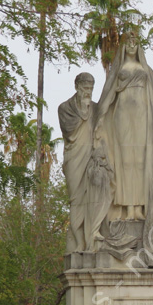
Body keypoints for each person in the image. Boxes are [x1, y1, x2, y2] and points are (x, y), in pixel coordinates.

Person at [93, 32, 153, 223]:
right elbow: (108, 95)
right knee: (124, 161)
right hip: (122, 114)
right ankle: (127, 208)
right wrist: (100, 117)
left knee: (141, 160)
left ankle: (140, 207)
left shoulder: (146, 70)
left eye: (135, 42)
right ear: (124, 46)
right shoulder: (118, 70)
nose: (132, 46)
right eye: (129, 42)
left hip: (143, 115)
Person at [58, 72, 97, 252]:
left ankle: (90, 240)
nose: (88, 92)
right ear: (77, 87)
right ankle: (78, 240)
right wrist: (83, 110)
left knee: (92, 198)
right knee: (76, 199)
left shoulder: (96, 109)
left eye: (90, 88)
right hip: (74, 157)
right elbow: (69, 131)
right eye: (85, 88)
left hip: (92, 157)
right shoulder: (65, 107)